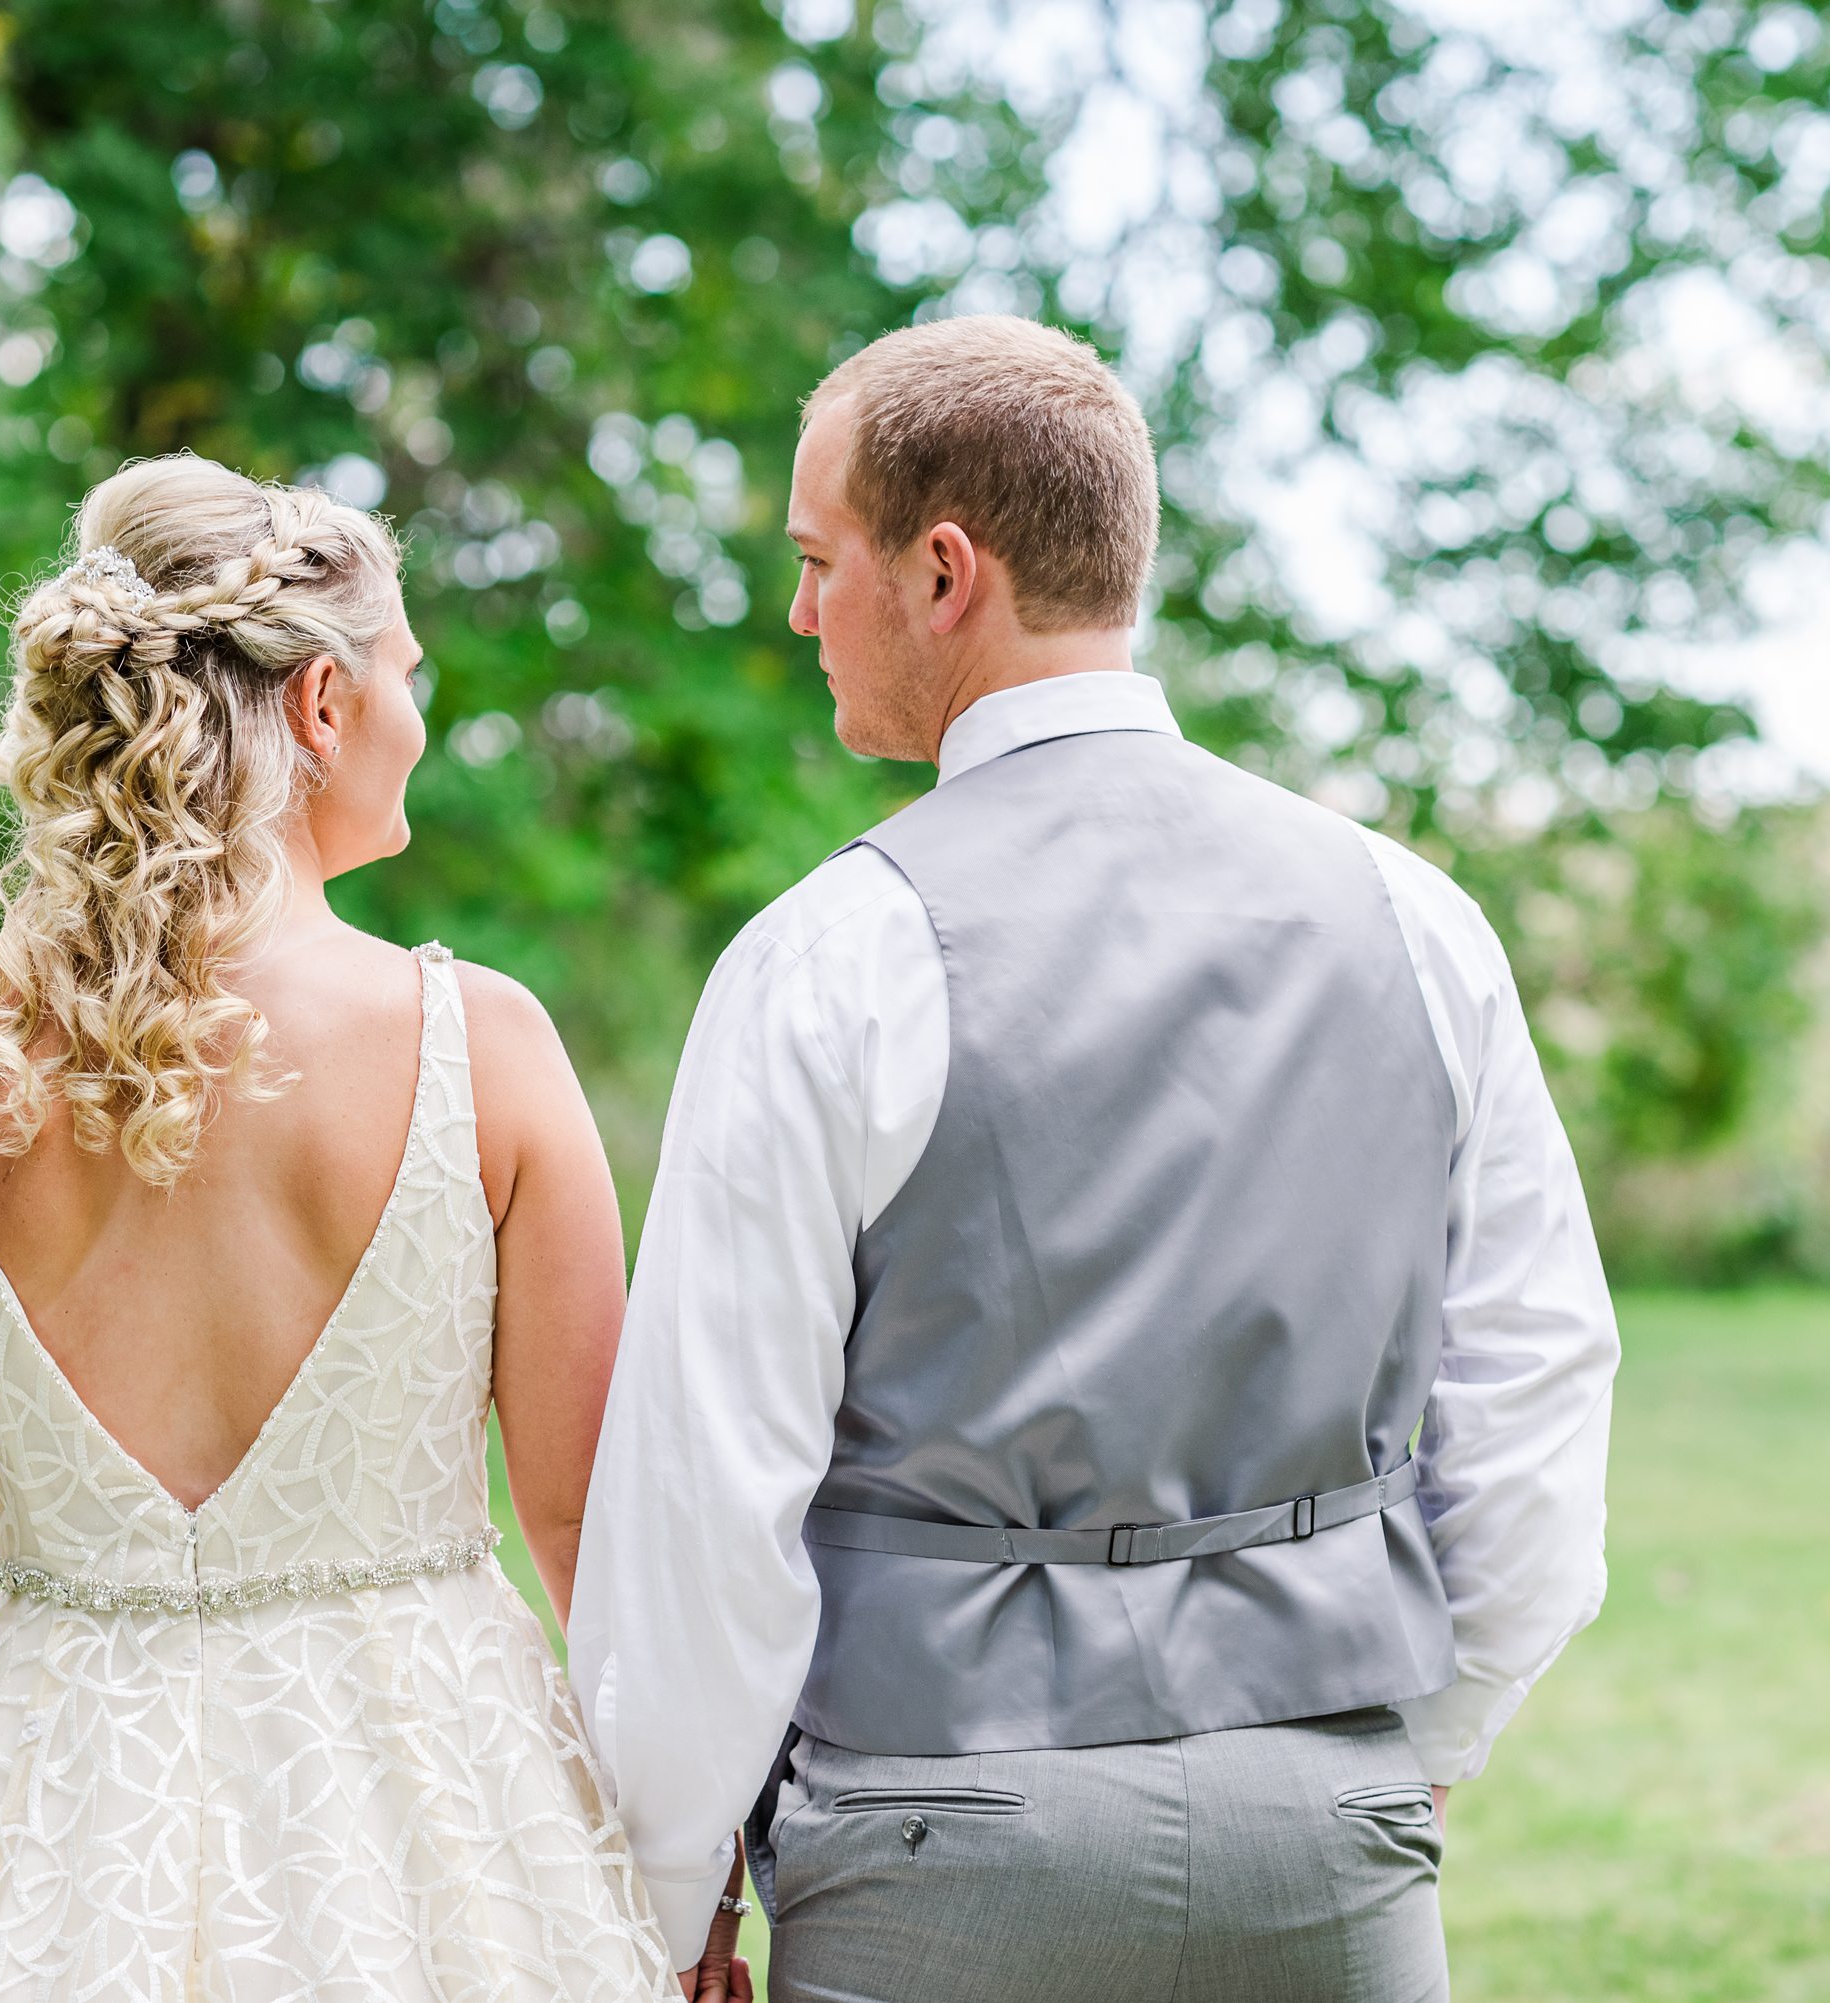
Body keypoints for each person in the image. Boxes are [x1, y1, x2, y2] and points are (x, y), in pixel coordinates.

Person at [569, 316, 1621, 2003]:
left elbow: (710, 1487)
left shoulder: (830, 955)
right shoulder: (1413, 922)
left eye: (818, 559)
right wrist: (1416, 1740)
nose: (797, 611)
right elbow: (1540, 1389)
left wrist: (672, 1875)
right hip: (1328, 1818)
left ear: (941, 573)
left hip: (940, 1839)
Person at [0, 454, 687, 2002]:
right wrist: (686, 1874)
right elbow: (580, 1522)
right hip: (439, 1824)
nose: (423, 718)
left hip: (55, 1825)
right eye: (409, 673)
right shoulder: (482, 1045)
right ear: (319, 707)